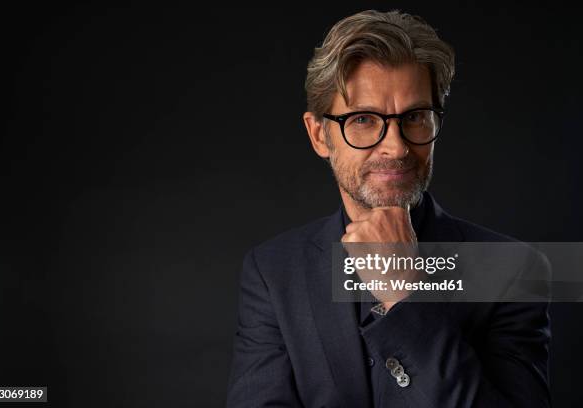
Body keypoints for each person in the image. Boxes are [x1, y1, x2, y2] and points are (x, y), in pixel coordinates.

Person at [226, 10, 550, 407]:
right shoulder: (272, 271)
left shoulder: (515, 269)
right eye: (363, 119)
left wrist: (404, 294)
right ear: (319, 135)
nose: (396, 147)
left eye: (414, 117)